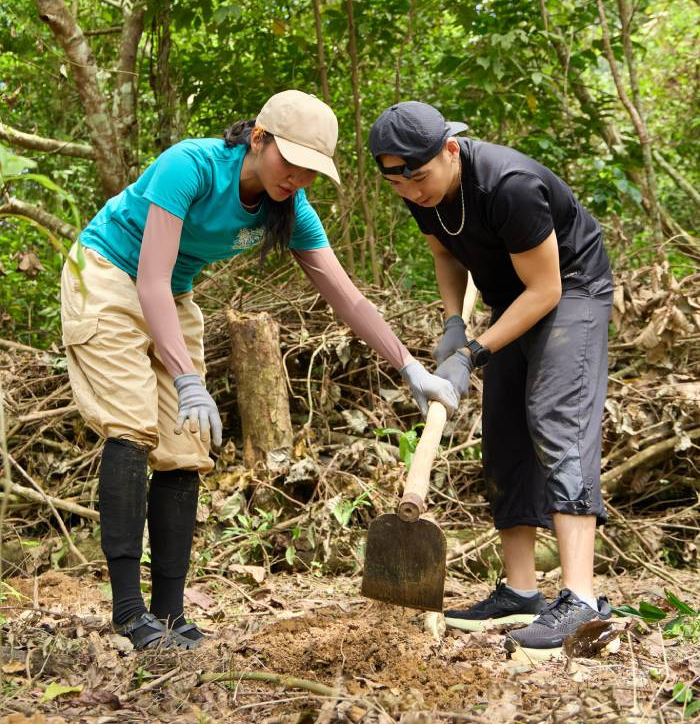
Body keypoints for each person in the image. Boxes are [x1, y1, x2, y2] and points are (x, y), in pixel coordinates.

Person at [61, 90, 458, 650]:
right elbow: (147, 277)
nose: (295, 178)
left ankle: (169, 616)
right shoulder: (189, 167)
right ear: (258, 139)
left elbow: (347, 297)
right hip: (106, 276)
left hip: (170, 294)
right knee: (131, 428)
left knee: (185, 446)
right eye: (288, 162)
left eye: (309, 171)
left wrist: (410, 366)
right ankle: (129, 613)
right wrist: (188, 378)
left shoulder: (291, 210)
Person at [369, 100, 614, 659]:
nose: (411, 192)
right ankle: (521, 591)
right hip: (510, 298)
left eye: (419, 177)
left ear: (450, 149)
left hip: (571, 289)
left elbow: (547, 290)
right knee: (504, 433)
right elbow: (447, 256)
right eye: (397, 182)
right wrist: (455, 323)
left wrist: (473, 353)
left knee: (557, 418)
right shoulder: (420, 192)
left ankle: (581, 598)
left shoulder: (511, 185)